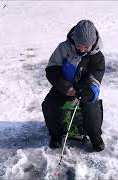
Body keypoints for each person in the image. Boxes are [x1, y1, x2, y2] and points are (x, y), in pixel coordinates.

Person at [42, 20, 106, 152]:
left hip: (84, 89)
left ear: (93, 43)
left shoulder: (97, 57)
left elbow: (96, 77)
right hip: (64, 86)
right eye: (79, 45)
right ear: (73, 40)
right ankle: (56, 135)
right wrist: (66, 87)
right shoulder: (63, 48)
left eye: (86, 47)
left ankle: (95, 138)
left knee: (91, 110)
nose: (82, 49)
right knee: (49, 105)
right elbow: (52, 70)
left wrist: (89, 91)